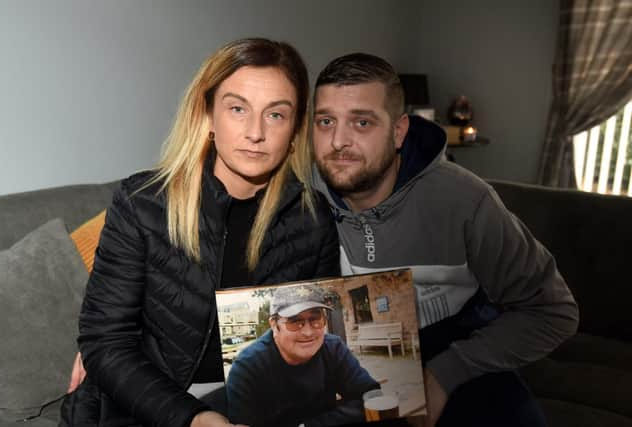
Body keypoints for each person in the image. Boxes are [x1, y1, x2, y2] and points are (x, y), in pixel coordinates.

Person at [60, 38, 340, 427]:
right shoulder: (142, 204)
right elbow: (106, 343)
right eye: (237, 109)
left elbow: (318, 340)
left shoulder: (313, 218)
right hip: (150, 404)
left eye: (275, 115)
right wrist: (196, 419)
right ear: (207, 115)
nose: (255, 132)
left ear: (294, 128)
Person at [310, 53, 579, 427]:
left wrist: (443, 375)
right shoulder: (300, 198)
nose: (339, 141)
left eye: (362, 121)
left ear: (399, 130)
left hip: (458, 353)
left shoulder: (465, 200)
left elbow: (554, 312)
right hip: (348, 360)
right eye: (326, 121)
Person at [225, 284, 380, 427]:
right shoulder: (248, 368)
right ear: (274, 325)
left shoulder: (333, 348)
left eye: (315, 319)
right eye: (295, 321)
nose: (308, 332)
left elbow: (371, 396)